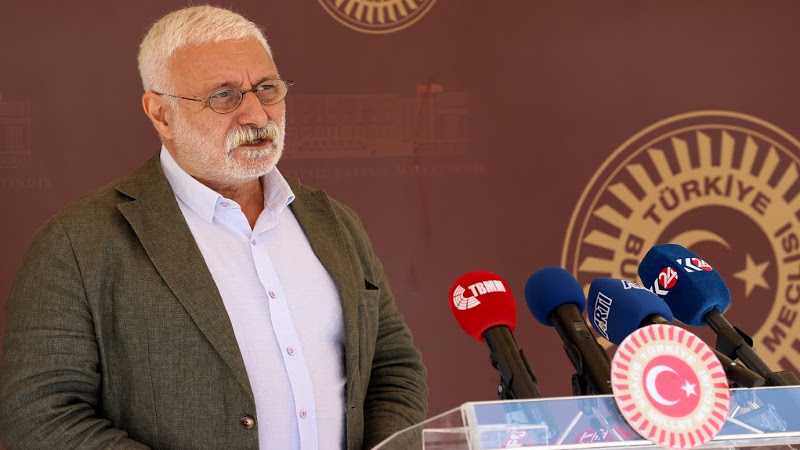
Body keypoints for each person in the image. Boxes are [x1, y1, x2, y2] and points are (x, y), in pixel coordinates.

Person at [0, 5, 427, 449]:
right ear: (161, 114)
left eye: (267, 88)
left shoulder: (334, 222)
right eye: (224, 96)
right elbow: (38, 413)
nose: (257, 115)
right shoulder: (77, 243)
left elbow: (394, 367)